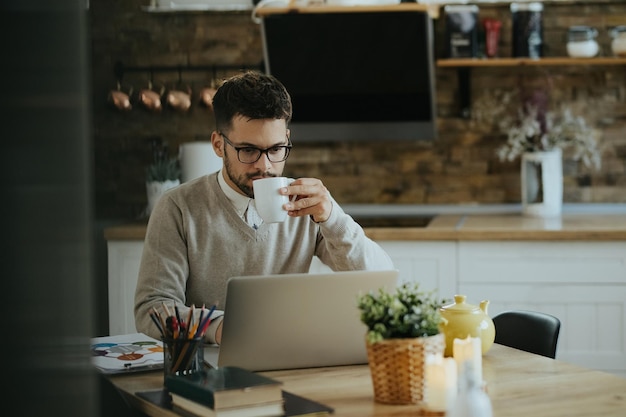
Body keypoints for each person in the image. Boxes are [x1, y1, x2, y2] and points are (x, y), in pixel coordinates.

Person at [134, 71, 394, 344]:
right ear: (218, 145)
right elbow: (152, 307)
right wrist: (221, 328)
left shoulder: (306, 203)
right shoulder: (177, 207)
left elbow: (380, 281)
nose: (265, 166)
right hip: (208, 363)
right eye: (248, 150)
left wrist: (333, 219)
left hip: (290, 357)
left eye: (276, 149)